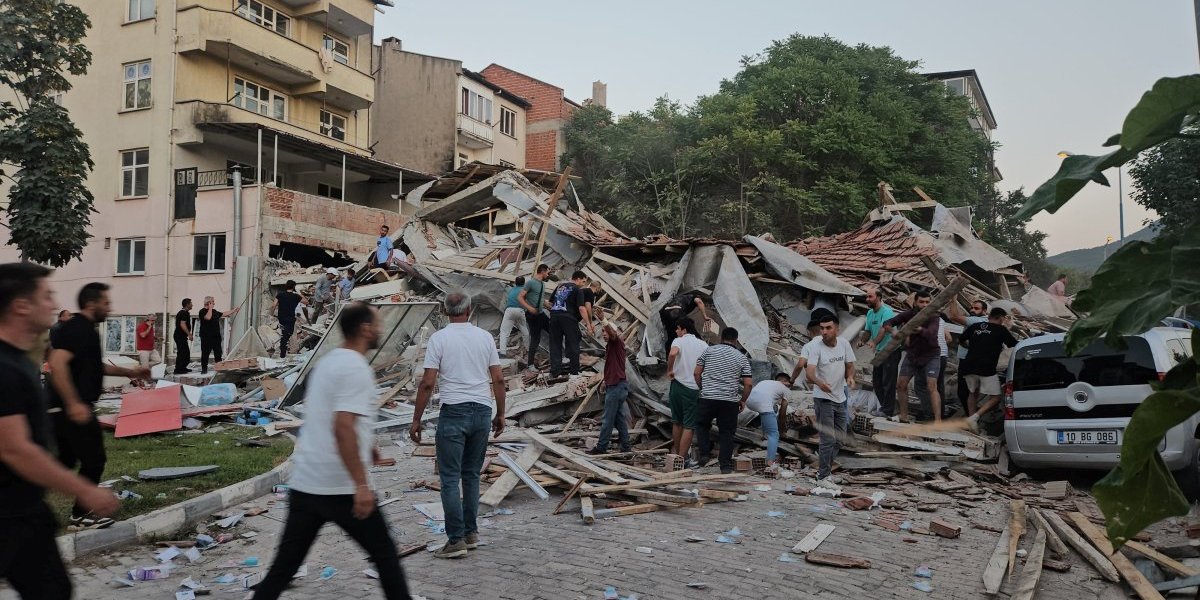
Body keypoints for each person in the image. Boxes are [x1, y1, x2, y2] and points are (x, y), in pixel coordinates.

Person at [252, 303, 412, 599]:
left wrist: (368, 448)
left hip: (306, 483)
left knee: (283, 569)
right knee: (385, 555)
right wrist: (361, 484)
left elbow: (329, 418)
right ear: (365, 329)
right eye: (377, 324)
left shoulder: (327, 362)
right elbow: (342, 427)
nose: (381, 329)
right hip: (341, 487)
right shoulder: (356, 369)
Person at [0, 263, 120, 599]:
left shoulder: (19, 360)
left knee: (54, 590)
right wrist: (86, 491)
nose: (53, 304)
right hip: (7, 513)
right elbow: (14, 449)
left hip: (25, 510)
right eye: (46, 296)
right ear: (21, 306)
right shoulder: (4, 368)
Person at [410, 292, 506, 559]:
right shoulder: (484, 337)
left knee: (450, 478)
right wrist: (501, 413)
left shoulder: (439, 339)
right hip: (482, 411)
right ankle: (470, 532)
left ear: (444, 310)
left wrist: (416, 419)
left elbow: (428, 382)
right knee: (471, 475)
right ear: (470, 309)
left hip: (454, 411)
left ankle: (455, 540)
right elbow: (498, 379)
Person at [48, 282, 149, 529]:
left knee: (63, 463)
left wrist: (130, 371)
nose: (110, 308)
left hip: (67, 409)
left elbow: (93, 365)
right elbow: (57, 363)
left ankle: (17, 499)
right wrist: (73, 403)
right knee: (94, 461)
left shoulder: (88, 331)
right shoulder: (76, 329)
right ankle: (80, 515)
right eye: (106, 303)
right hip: (72, 409)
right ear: (91, 303)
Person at [804, 314, 856, 489]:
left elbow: (850, 365)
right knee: (828, 438)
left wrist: (850, 378)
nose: (824, 332)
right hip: (823, 398)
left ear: (837, 329)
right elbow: (809, 373)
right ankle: (823, 476)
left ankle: (824, 468)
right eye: (822, 328)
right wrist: (820, 383)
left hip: (840, 397)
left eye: (828, 328)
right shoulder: (816, 347)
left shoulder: (844, 344)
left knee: (840, 438)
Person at [693, 327, 753, 474]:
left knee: (701, 424)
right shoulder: (741, 357)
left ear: (722, 338)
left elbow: (696, 373)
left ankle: (705, 453)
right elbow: (748, 384)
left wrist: (702, 387)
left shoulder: (709, 351)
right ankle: (725, 466)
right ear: (736, 340)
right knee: (727, 432)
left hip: (708, 397)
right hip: (729, 401)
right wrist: (743, 400)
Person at [883, 290, 943, 423]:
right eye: (921, 302)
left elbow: (932, 333)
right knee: (901, 385)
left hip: (931, 355)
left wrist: (919, 329)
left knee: (931, 386)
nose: (924, 304)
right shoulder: (908, 314)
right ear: (915, 302)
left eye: (927, 302)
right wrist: (893, 331)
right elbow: (887, 322)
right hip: (913, 355)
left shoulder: (934, 316)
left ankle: (938, 421)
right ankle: (904, 416)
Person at [960, 308, 1018, 433]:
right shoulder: (1001, 330)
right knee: (996, 397)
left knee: (972, 393)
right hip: (987, 367)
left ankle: (971, 422)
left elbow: (961, 339)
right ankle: (974, 418)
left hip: (968, 364)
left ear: (989, 316)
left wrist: (971, 347)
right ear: (1001, 318)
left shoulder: (975, 326)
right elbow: (1013, 344)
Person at [667, 318, 708, 464]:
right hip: (693, 388)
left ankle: (678, 456)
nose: (676, 331)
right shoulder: (703, 345)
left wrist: (670, 370)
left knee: (677, 422)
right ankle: (682, 459)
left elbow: (673, 354)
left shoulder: (679, 340)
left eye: (678, 328)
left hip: (677, 385)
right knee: (689, 425)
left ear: (684, 329)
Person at [587, 321, 631, 455]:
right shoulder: (611, 347)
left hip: (617, 387)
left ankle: (601, 447)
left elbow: (613, 334)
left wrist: (603, 320)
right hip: (617, 385)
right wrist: (605, 381)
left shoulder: (616, 342)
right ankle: (626, 446)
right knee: (619, 419)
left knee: (607, 419)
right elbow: (612, 368)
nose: (604, 334)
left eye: (606, 331)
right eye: (603, 332)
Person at [946, 299, 989, 418]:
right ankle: (971, 418)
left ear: (984, 311)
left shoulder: (979, 320)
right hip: (969, 361)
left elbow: (954, 316)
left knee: (966, 392)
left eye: (976, 309)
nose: (972, 310)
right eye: (971, 308)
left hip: (971, 362)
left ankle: (972, 418)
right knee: (966, 392)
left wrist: (953, 298)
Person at [859, 288, 898, 418]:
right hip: (881, 352)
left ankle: (888, 410)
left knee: (888, 381)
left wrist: (874, 343)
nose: (867, 299)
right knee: (877, 381)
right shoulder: (870, 313)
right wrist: (862, 341)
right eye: (866, 297)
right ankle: (885, 408)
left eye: (870, 297)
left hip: (891, 350)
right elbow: (868, 331)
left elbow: (884, 329)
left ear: (879, 297)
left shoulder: (887, 311)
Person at [547, 271, 593, 378]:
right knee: (573, 343)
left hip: (554, 317)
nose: (584, 284)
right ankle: (574, 372)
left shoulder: (559, 286)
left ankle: (555, 372)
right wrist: (588, 324)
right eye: (583, 281)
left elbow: (550, 303)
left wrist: (556, 312)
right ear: (577, 279)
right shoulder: (578, 290)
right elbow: (581, 308)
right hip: (568, 318)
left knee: (555, 345)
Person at [745, 373, 792, 465]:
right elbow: (783, 412)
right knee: (774, 434)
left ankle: (764, 434)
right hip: (763, 403)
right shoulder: (787, 390)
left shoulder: (765, 381)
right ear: (787, 382)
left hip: (749, 401)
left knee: (770, 409)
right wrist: (782, 430)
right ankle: (770, 461)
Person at [659, 291, 712, 357]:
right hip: (676, 311)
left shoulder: (680, 298)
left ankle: (668, 357)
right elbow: (699, 302)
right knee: (692, 331)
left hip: (665, 312)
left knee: (671, 337)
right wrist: (705, 316)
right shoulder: (693, 297)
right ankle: (705, 353)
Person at [518, 264, 551, 371]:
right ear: (542, 271)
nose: (548, 274)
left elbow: (541, 299)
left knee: (554, 331)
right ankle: (530, 364)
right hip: (532, 315)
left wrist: (550, 307)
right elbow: (520, 297)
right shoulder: (531, 282)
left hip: (541, 314)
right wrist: (529, 308)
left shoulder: (542, 284)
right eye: (547, 272)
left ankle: (560, 356)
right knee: (535, 339)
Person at [198, 297, 240, 375]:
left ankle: (219, 368)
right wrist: (210, 308)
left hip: (216, 337)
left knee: (218, 353)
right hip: (206, 337)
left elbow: (223, 314)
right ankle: (204, 369)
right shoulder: (202, 311)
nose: (214, 303)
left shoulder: (214, 311)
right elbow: (208, 317)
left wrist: (234, 310)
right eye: (213, 302)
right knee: (205, 353)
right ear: (209, 303)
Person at [498, 276, 529, 357]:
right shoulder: (524, 290)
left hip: (509, 310)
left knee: (504, 332)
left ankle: (503, 353)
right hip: (520, 310)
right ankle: (528, 349)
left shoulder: (512, 290)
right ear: (524, 283)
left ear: (515, 282)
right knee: (524, 330)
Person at [271, 280, 302, 358]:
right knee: (286, 337)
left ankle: (283, 353)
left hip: (281, 319)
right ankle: (283, 354)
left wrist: (271, 313)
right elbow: (306, 302)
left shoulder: (280, 295)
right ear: (293, 287)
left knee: (284, 334)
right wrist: (298, 294)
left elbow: (274, 305)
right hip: (290, 320)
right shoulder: (296, 296)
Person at [172, 298, 193, 374]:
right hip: (179, 336)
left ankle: (183, 367)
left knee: (185, 352)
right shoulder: (183, 313)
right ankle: (178, 369)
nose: (192, 305)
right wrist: (189, 334)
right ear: (187, 304)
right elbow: (182, 324)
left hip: (181, 336)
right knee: (182, 352)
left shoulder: (185, 313)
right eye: (191, 303)